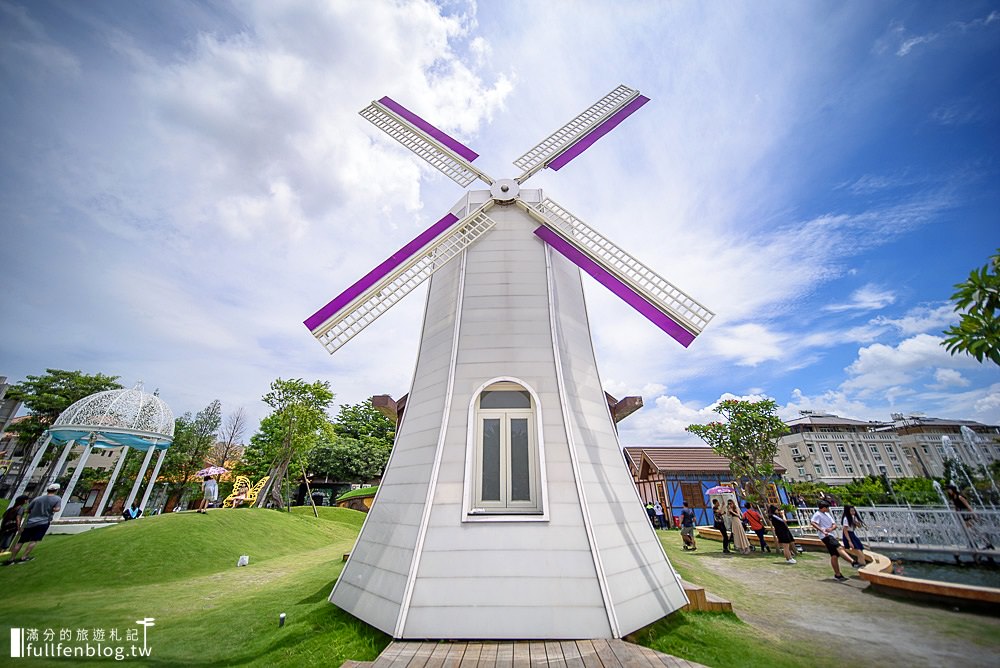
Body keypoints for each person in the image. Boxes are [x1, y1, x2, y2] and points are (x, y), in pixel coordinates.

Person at [3, 484, 62, 565]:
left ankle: (11, 559)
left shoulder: (37, 499)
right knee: (34, 540)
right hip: (43, 522)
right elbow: (57, 509)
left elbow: (27, 510)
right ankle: (24, 557)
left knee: (21, 541)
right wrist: (51, 509)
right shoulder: (57, 498)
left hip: (30, 523)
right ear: (56, 490)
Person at [811, 500, 861, 581]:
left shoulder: (827, 514)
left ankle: (838, 574)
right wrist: (822, 530)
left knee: (834, 555)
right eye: (827, 508)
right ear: (823, 508)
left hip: (830, 534)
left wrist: (831, 528)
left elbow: (834, 525)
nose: (828, 509)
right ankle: (852, 562)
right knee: (839, 547)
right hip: (826, 536)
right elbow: (813, 523)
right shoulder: (817, 514)